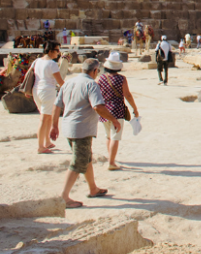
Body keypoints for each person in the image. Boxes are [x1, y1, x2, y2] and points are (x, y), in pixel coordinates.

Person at [50, 58, 120, 208]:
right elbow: (98, 107)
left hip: (68, 127)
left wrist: (54, 126)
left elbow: (56, 106)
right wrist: (113, 119)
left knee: (86, 158)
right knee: (78, 162)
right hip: (81, 129)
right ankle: (64, 197)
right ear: (95, 71)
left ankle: (93, 188)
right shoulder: (91, 84)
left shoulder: (68, 83)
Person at [96, 52, 138, 170]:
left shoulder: (101, 78)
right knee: (115, 137)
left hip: (104, 109)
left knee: (108, 136)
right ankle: (111, 162)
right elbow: (127, 95)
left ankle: (111, 157)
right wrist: (134, 108)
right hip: (117, 109)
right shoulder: (121, 79)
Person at [33, 41, 65, 154]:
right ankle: (40, 146)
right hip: (47, 91)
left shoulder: (37, 61)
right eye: (57, 50)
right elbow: (60, 81)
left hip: (36, 90)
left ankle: (46, 142)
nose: (58, 53)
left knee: (47, 117)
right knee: (44, 118)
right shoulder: (52, 64)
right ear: (51, 51)